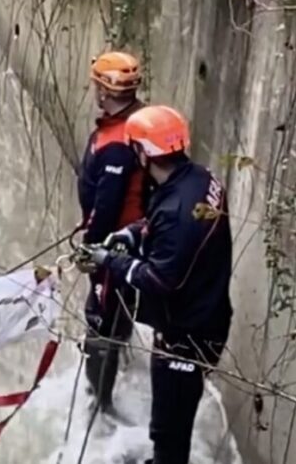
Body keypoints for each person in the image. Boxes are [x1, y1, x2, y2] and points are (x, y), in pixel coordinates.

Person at [79, 105, 232, 464]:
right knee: (171, 421)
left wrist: (110, 262)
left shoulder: (178, 210)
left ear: (144, 153)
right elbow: (161, 223)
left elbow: (159, 280)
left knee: (169, 427)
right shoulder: (198, 178)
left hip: (186, 338)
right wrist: (132, 235)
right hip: (206, 315)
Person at [76, 51, 147, 417]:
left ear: (103, 91)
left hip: (115, 248)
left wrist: (90, 249)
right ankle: (117, 357)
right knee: (119, 311)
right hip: (135, 241)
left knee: (100, 320)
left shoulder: (117, 142)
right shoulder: (140, 121)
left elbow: (108, 205)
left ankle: (97, 406)